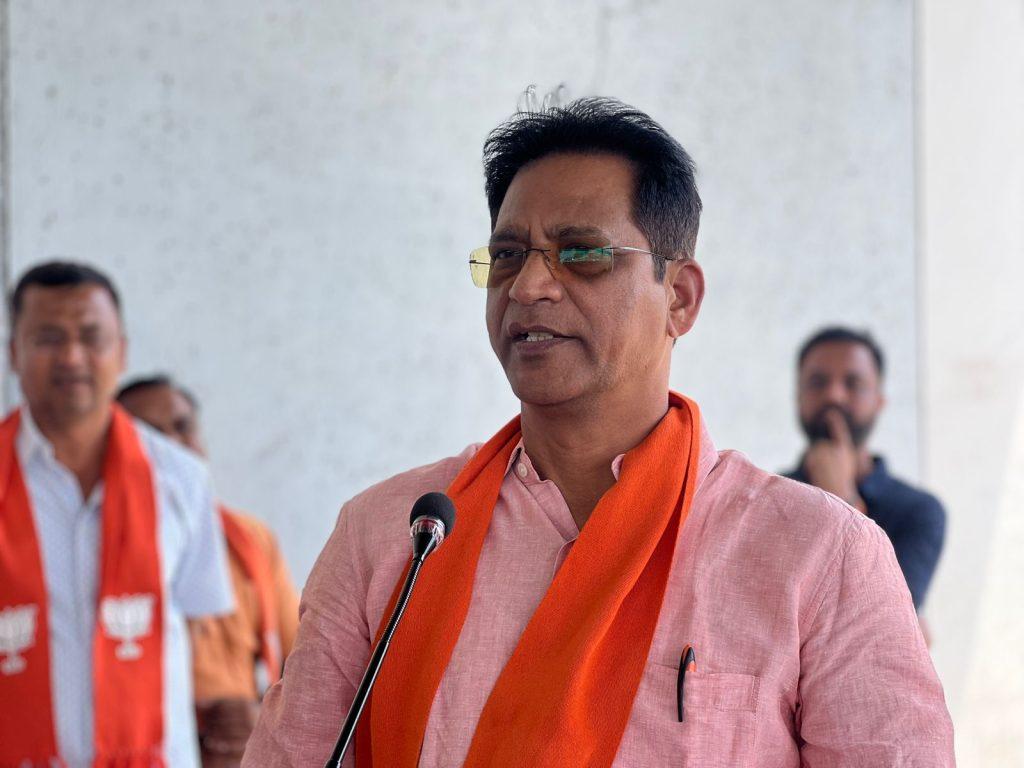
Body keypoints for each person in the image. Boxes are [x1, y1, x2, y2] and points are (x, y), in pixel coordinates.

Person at [242, 97, 954, 766]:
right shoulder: (392, 535)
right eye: (508, 255)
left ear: (679, 298)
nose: (528, 287)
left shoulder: (817, 554)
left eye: (581, 252)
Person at [0, 261, 233, 767]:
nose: (72, 357)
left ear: (122, 351)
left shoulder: (181, 478)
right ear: (13, 353)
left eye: (91, 337)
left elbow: (201, 630)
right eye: (48, 338)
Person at [117, 374, 300, 768]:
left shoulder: (250, 539)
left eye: (183, 427)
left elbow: (305, 662)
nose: (174, 444)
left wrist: (263, 716)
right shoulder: (103, 551)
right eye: (152, 434)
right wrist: (194, 725)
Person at [783, 327, 947, 611]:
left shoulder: (918, 511)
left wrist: (842, 498)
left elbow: (890, 617)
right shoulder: (769, 497)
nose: (834, 395)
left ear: (879, 400)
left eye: (853, 383)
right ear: (798, 396)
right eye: (818, 382)